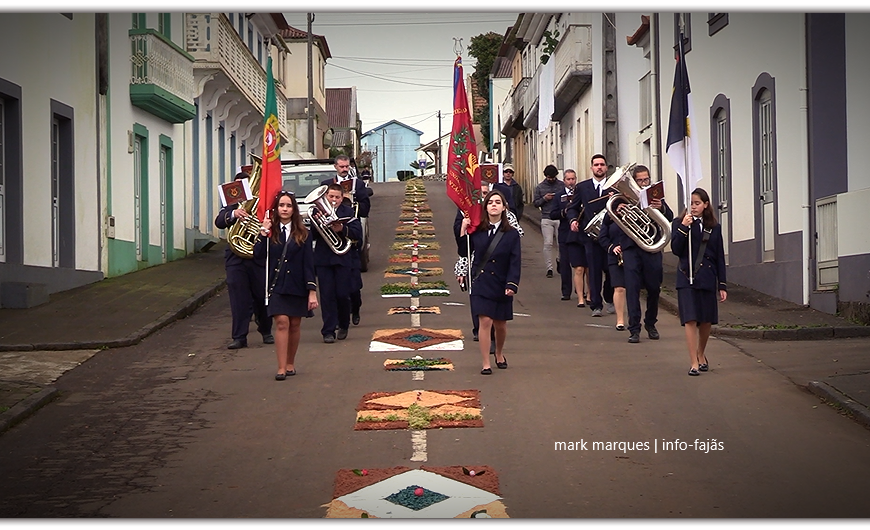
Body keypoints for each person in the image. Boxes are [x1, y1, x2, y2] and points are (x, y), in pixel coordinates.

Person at [255, 190, 318, 380]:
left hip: (297, 285)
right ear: (276, 209)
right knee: (282, 322)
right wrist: (262, 233)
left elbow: (308, 264)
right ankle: (281, 367)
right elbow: (258, 256)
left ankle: (291, 363)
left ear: (294, 209)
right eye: (281, 205)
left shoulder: (303, 233)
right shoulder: (269, 231)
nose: (284, 209)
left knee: (295, 324)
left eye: (288, 205)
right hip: (276, 285)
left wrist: (312, 291)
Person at [459, 189, 521, 375]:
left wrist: (512, 284)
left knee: (500, 324)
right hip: (481, 281)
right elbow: (464, 251)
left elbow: (515, 261)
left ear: (504, 208)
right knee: (484, 321)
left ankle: (499, 353)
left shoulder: (511, 234)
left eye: (497, 202)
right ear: (485, 207)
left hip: (501, 283)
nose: (494, 205)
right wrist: (463, 229)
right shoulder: (476, 230)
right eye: (490, 202)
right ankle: (486, 362)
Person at [671, 187, 727, 376]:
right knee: (690, 319)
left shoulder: (714, 226)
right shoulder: (679, 223)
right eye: (691, 203)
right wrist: (684, 228)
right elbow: (676, 248)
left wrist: (722, 284)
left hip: (707, 277)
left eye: (697, 203)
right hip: (686, 276)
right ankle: (693, 362)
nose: (693, 207)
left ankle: (701, 353)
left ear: (705, 205)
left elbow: (719, 256)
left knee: (706, 321)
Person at [214, 171, 273, 349]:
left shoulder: (262, 205)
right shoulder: (231, 206)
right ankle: (239, 336)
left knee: (261, 297)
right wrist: (234, 215)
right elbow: (219, 221)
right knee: (238, 299)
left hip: (257, 258)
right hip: (236, 258)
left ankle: (266, 330)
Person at [617, 165, 674, 343]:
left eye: (646, 180)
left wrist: (661, 208)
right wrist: (619, 210)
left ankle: (651, 323)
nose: (643, 183)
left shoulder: (655, 196)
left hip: (652, 248)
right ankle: (634, 329)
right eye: (640, 180)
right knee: (632, 289)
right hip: (631, 248)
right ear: (634, 181)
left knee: (654, 288)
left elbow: (670, 216)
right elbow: (608, 220)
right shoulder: (623, 198)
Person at [313, 183, 362, 343]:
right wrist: (318, 223)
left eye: (337, 197)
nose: (333, 200)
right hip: (324, 258)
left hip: (343, 258)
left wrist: (342, 229)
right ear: (326, 196)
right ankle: (328, 330)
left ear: (342, 198)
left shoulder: (348, 212)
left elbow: (357, 234)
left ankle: (343, 324)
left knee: (342, 294)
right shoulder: (317, 211)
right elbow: (312, 236)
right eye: (331, 196)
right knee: (327, 296)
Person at [568, 154, 615, 317]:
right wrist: (573, 220)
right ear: (591, 168)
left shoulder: (614, 186)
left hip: (610, 236)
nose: (599, 167)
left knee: (610, 270)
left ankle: (609, 297)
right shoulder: (582, 187)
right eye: (596, 165)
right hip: (591, 236)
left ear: (606, 168)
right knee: (593, 270)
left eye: (602, 164)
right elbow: (573, 207)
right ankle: (596, 304)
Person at [550, 169, 588, 304]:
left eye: (573, 179)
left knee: (581, 264)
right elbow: (552, 214)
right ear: (564, 181)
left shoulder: (581, 193)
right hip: (565, 232)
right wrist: (564, 212)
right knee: (565, 263)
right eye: (568, 179)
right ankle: (566, 291)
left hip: (579, 232)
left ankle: (582, 292)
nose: (571, 182)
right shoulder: (559, 195)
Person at [532, 164, 565, 278]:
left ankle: (560, 260)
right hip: (546, 217)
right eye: (549, 177)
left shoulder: (561, 185)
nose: (551, 179)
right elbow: (535, 203)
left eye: (553, 177)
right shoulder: (540, 187)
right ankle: (549, 268)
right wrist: (545, 199)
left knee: (561, 243)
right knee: (548, 243)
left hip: (560, 217)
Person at [321, 154, 371, 218]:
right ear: (335, 166)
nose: (345, 169)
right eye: (341, 167)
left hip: (352, 220)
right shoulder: (326, 184)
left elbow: (365, 208)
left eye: (347, 166)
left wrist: (353, 202)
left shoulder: (358, 183)